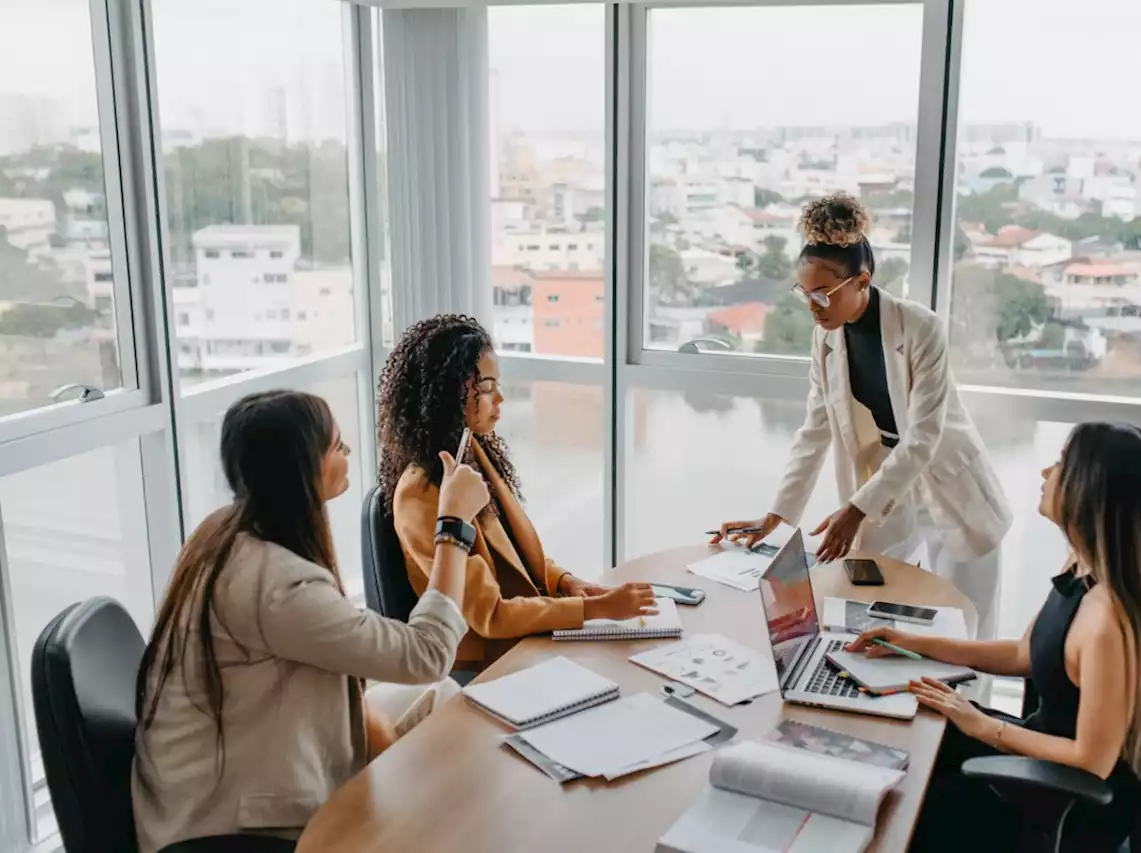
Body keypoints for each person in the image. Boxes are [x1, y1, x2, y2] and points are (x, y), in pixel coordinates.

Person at [132, 390, 488, 853]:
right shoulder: (277, 584)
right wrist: (453, 526)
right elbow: (428, 653)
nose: (349, 453)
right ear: (303, 469)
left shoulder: (227, 532)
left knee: (441, 701)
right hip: (227, 822)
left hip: (238, 763)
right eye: (337, 446)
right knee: (439, 704)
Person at [850, 422, 1141, 851]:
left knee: (897, 804)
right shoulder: (1080, 569)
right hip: (1034, 757)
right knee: (907, 733)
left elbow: (1092, 761)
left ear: (1090, 491)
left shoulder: (1107, 622)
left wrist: (983, 725)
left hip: (1063, 801)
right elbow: (1023, 653)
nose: (1046, 472)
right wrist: (911, 643)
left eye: (1061, 464)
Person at [716, 191, 1011, 640]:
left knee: (969, 626)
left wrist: (854, 511)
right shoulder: (826, 339)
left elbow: (923, 439)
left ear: (862, 281)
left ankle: (967, 710)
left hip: (947, 483)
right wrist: (776, 515)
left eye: (823, 294)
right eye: (805, 294)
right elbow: (815, 430)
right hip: (884, 486)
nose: (814, 307)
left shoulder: (921, 328)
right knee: (860, 601)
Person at [379, 314, 656, 673]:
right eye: (487, 387)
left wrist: (566, 583)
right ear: (449, 393)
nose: (501, 398)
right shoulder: (423, 492)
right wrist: (596, 610)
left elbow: (517, 556)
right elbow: (490, 616)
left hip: (521, 640)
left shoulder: (474, 451)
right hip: (483, 664)